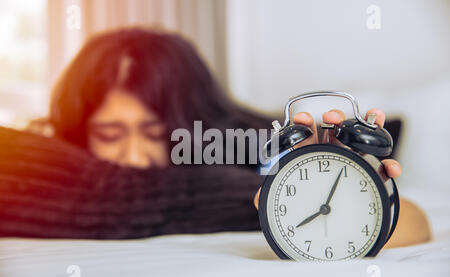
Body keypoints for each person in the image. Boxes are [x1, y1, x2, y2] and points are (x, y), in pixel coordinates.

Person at [0, 28, 430, 248]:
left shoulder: (253, 145)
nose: (133, 155)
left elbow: (414, 222)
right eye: (110, 134)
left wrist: (347, 183)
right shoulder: (52, 160)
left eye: (157, 134)